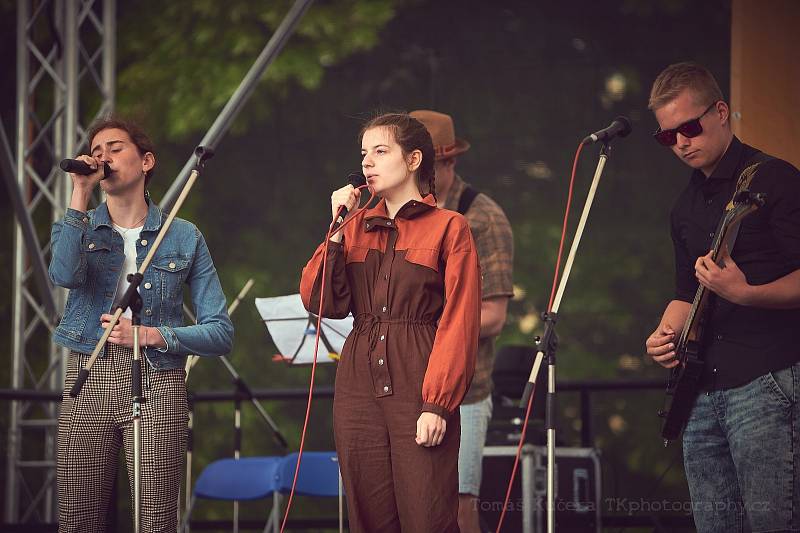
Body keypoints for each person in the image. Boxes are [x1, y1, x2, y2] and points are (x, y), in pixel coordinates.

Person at [50, 116, 233, 532]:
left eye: (114, 148)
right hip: (88, 374)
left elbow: (220, 331)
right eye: (96, 152)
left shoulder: (183, 235)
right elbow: (63, 274)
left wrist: (153, 335)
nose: (103, 157)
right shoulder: (79, 225)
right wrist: (79, 192)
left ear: (146, 160)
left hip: (158, 380)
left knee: (154, 520)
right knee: (77, 519)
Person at [300, 112, 481, 531]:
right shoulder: (355, 224)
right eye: (364, 154)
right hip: (357, 390)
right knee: (369, 519)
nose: (367, 163)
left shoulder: (450, 228)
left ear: (414, 158)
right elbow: (320, 299)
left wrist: (437, 403)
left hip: (418, 384)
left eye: (381, 152)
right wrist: (338, 229)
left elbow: (459, 322)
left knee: (427, 515)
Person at [644, 62, 800, 532]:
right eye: (667, 136)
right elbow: (683, 293)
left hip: (767, 380)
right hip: (700, 391)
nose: (680, 143)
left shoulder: (776, 180)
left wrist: (746, 293)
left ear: (721, 112)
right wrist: (663, 332)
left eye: (688, 128)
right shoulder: (684, 207)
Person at [410, 109, 514, 532]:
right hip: (401, 387)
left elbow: (492, 316)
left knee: (458, 506)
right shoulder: (390, 214)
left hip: (463, 393)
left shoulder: (482, 218)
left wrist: (419, 323)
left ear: (448, 163)